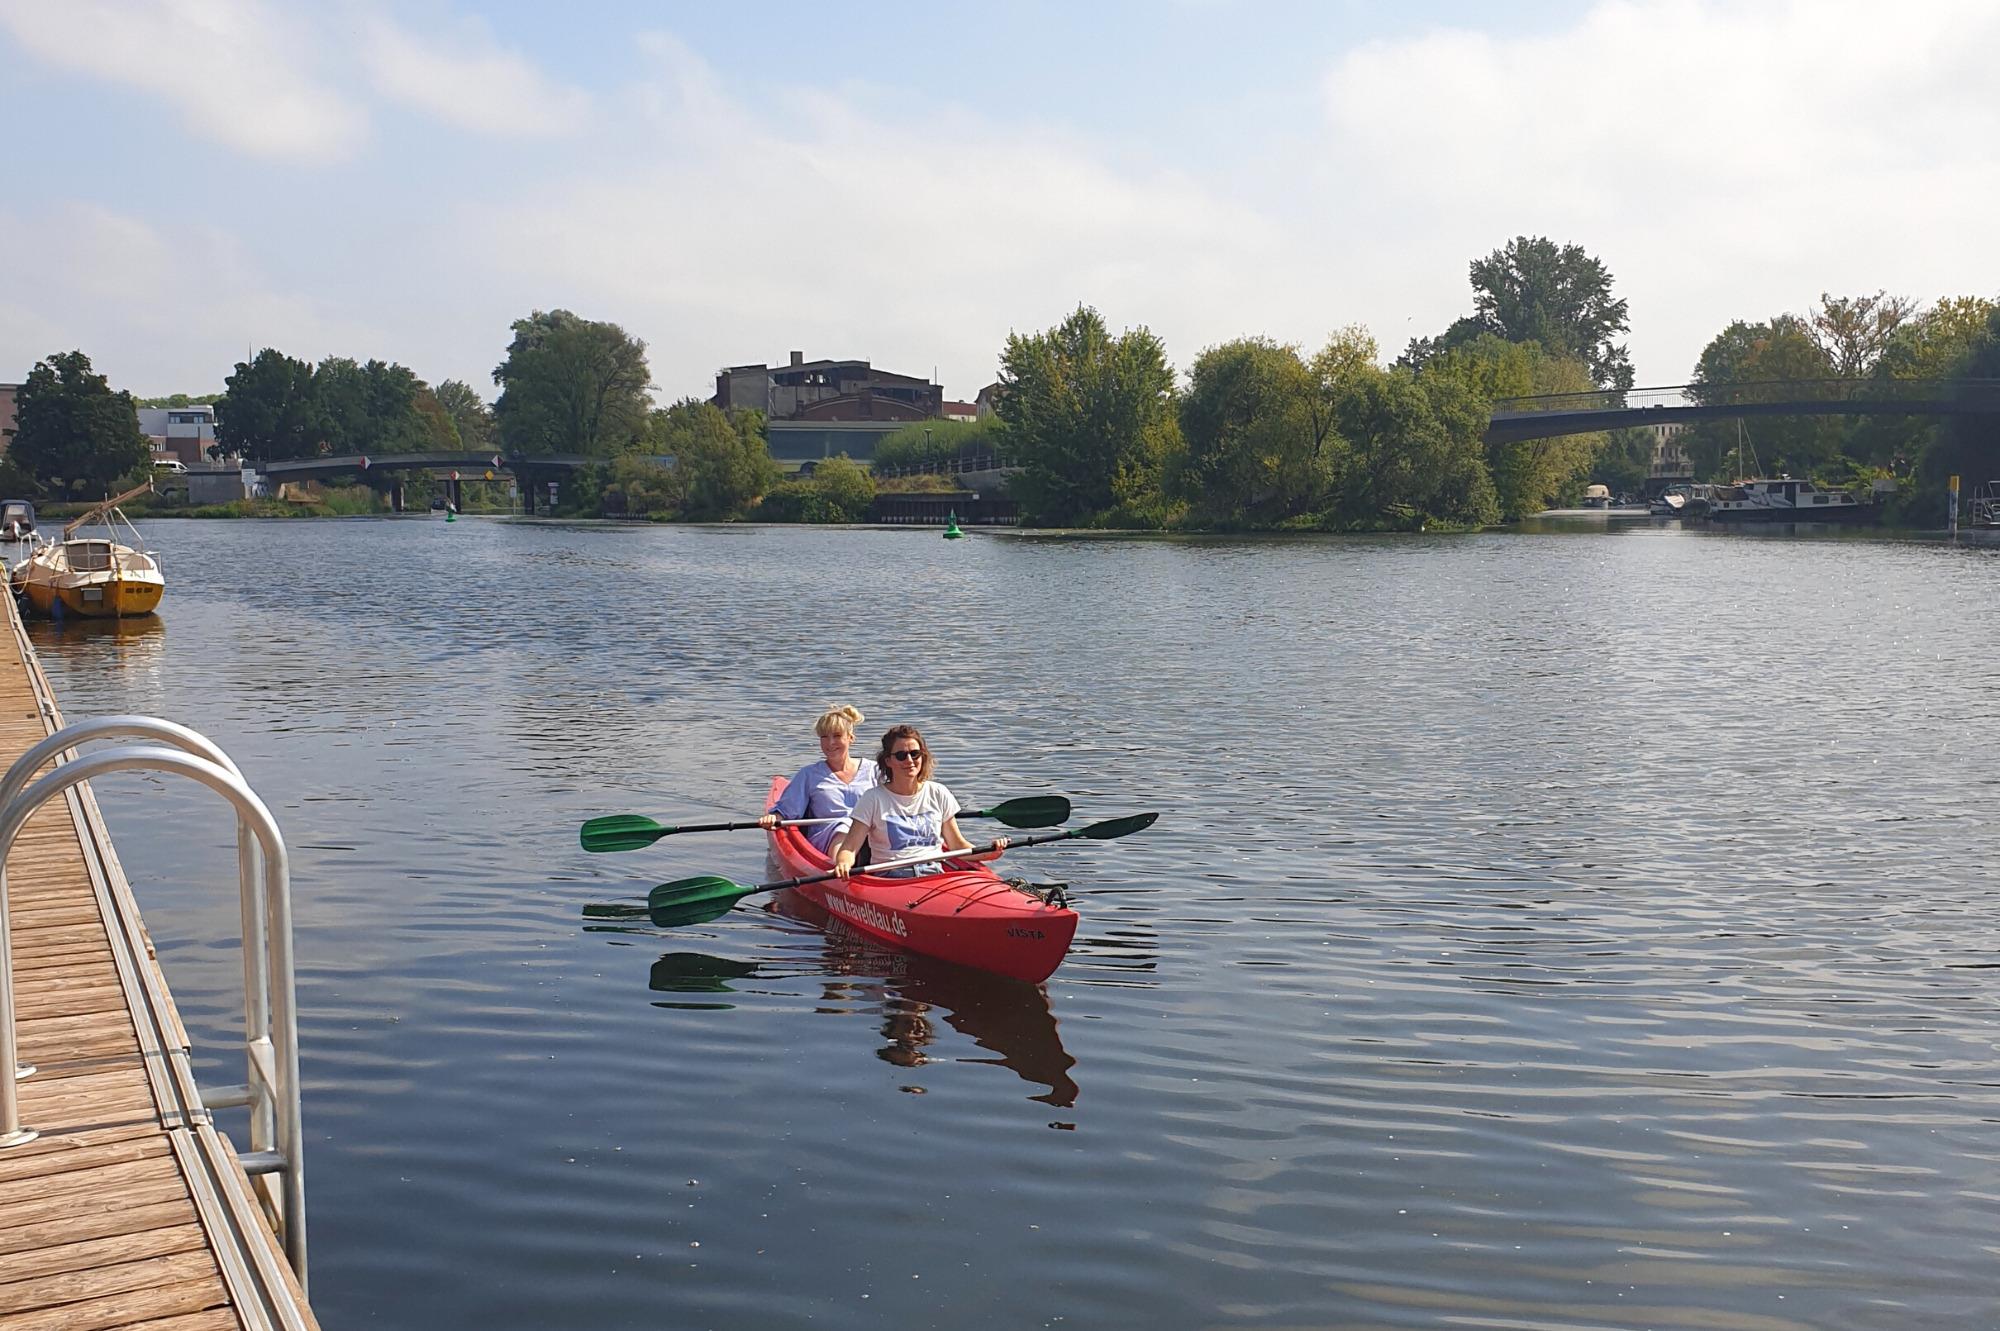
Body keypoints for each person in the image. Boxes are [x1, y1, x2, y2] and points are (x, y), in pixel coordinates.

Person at [830, 724, 1006, 878]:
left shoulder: (938, 792)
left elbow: (957, 845)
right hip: (891, 875)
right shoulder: (872, 798)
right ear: (888, 761)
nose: (909, 760)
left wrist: (991, 852)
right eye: (901, 755)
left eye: (915, 754)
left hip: (933, 872)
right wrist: (843, 863)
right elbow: (849, 848)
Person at [759, 705, 880, 853]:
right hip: (830, 834)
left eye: (837, 736)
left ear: (850, 738)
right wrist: (773, 818)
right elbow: (786, 811)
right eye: (824, 737)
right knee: (845, 826)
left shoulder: (874, 770)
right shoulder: (808, 775)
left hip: (871, 831)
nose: (830, 743)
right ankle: (840, 865)